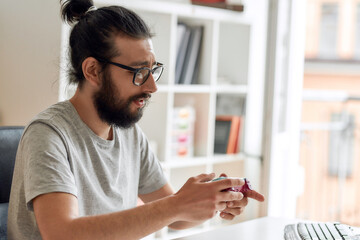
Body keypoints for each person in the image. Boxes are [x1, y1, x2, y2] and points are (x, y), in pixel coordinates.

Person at [7, 0, 265, 239]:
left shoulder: (128, 133)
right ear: (93, 71)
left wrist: (213, 198)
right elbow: (62, 233)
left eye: (152, 70)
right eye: (140, 71)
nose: (152, 86)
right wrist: (176, 205)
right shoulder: (48, 135)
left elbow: (176, 219)